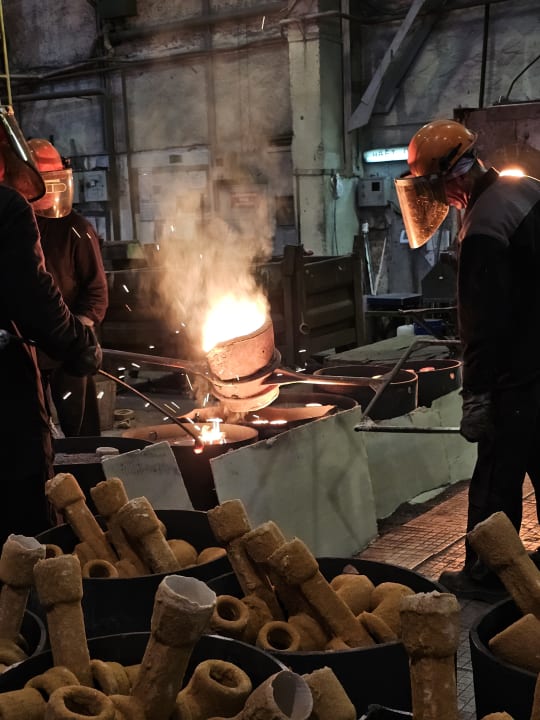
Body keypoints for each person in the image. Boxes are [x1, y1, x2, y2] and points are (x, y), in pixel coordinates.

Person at [395, 118, 540, 602]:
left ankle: (486, 575)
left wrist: (477, 394)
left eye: (431, 186)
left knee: (495, 476)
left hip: (516, 372)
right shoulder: (526, 190)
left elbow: (482, 324)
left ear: (449, 179)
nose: (434, 197)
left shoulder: (483, 226)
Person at [0, 105, 101, 545]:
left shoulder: (77, 230)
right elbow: (35, 297)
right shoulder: (7, 210)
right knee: (25, 532)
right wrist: (77, 343)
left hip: (44, 349)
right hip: (6, 399)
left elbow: (94, 292)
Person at [28, 138, 109, 437]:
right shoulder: (15, 227)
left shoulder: (77, 229)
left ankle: (88, 462)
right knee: (34, 429)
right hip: (29, 345)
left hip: (69, 341)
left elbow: (96, 291)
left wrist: (81, 329)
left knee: (81, 430)